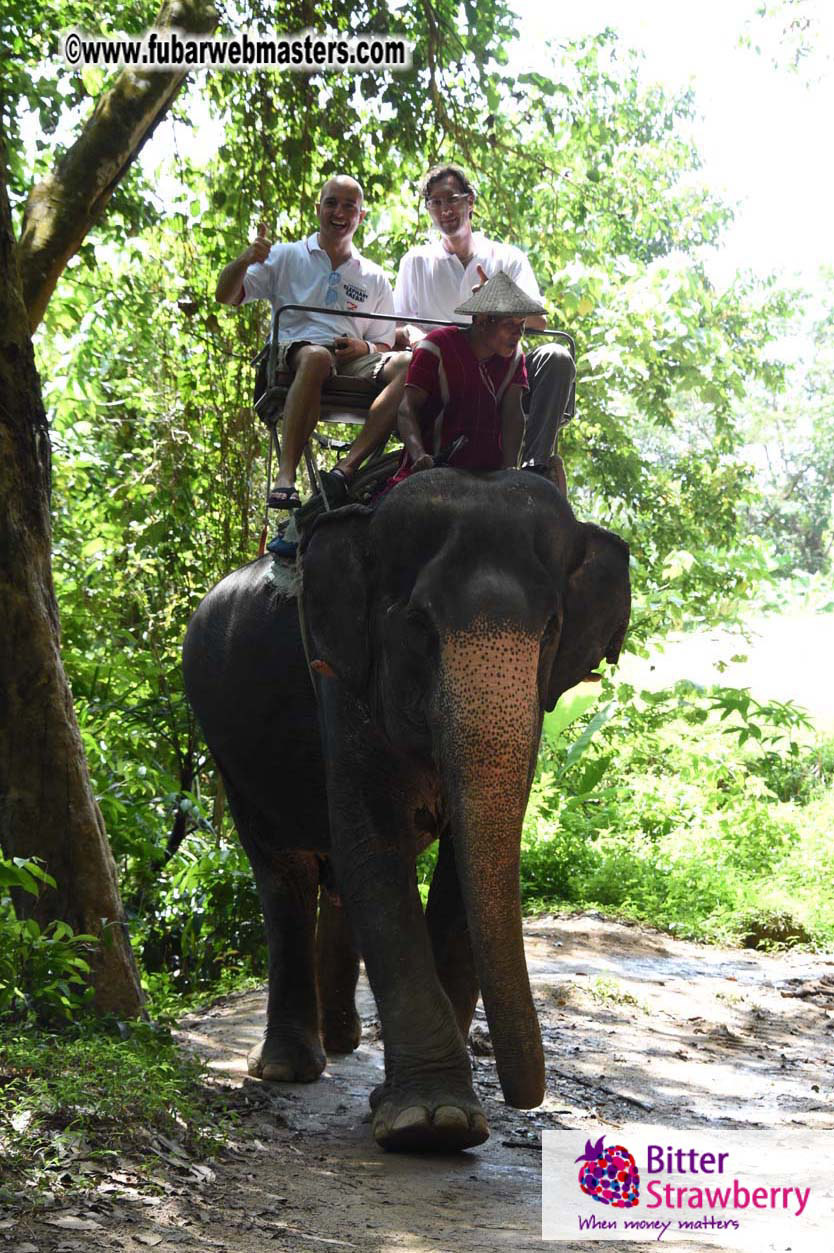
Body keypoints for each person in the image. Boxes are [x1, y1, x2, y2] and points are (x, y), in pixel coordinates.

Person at [216, 174, 409, 509]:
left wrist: (363, 348)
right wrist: (248, 258)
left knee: (409, 364)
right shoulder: (286, 255)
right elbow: (226, 295)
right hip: (297, 350)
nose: (339, 212)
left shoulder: (373, 275)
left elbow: (384, 343)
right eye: (332, 203)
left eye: (350, 206)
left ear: (361, 217)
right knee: (317, 358)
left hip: (349, 357)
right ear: (318, 208)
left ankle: (346, 469)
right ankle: (285, 476)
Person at [393, 162, 575, 487]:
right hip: (442, 368)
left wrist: (496, 299)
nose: (445, 210)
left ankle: (533, 468)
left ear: (470, 201)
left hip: (502, 366)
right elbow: (396, 327)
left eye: (452, 199)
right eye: (435, 202)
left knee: (556, 357)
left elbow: (538, 319)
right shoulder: (416, 261)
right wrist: (423, 341)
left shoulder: (506, 257)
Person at [387, 271, 545, 493]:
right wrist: (419, 455)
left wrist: (510, 471)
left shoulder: (515, 358)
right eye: (509, 323)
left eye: (522, 323)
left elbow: (513, 414)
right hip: (434, 471)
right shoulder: (436, 347)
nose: (518, 332)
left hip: (488, 476)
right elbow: (407, 409)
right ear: (481, 320)